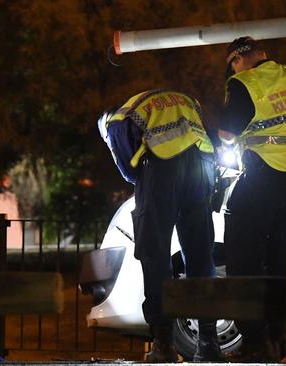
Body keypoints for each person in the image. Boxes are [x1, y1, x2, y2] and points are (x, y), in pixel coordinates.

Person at [101, 90, 222, 362]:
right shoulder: (172, 100)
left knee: (154, 255)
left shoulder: (117, 121)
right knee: (201, 255)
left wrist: (145, 183)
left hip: (161, 172)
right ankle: (208, 343)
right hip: (200, 168)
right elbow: (206, 132)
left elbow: (129, 170)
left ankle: (163, 343)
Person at [218, 36, 286, 362]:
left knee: (242, 261)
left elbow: (227, 133)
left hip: (262, 180)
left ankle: (255, 342)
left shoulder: (244, 82)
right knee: (276, 261)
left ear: (237, 60)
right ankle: (277, 338)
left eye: (231, 64)